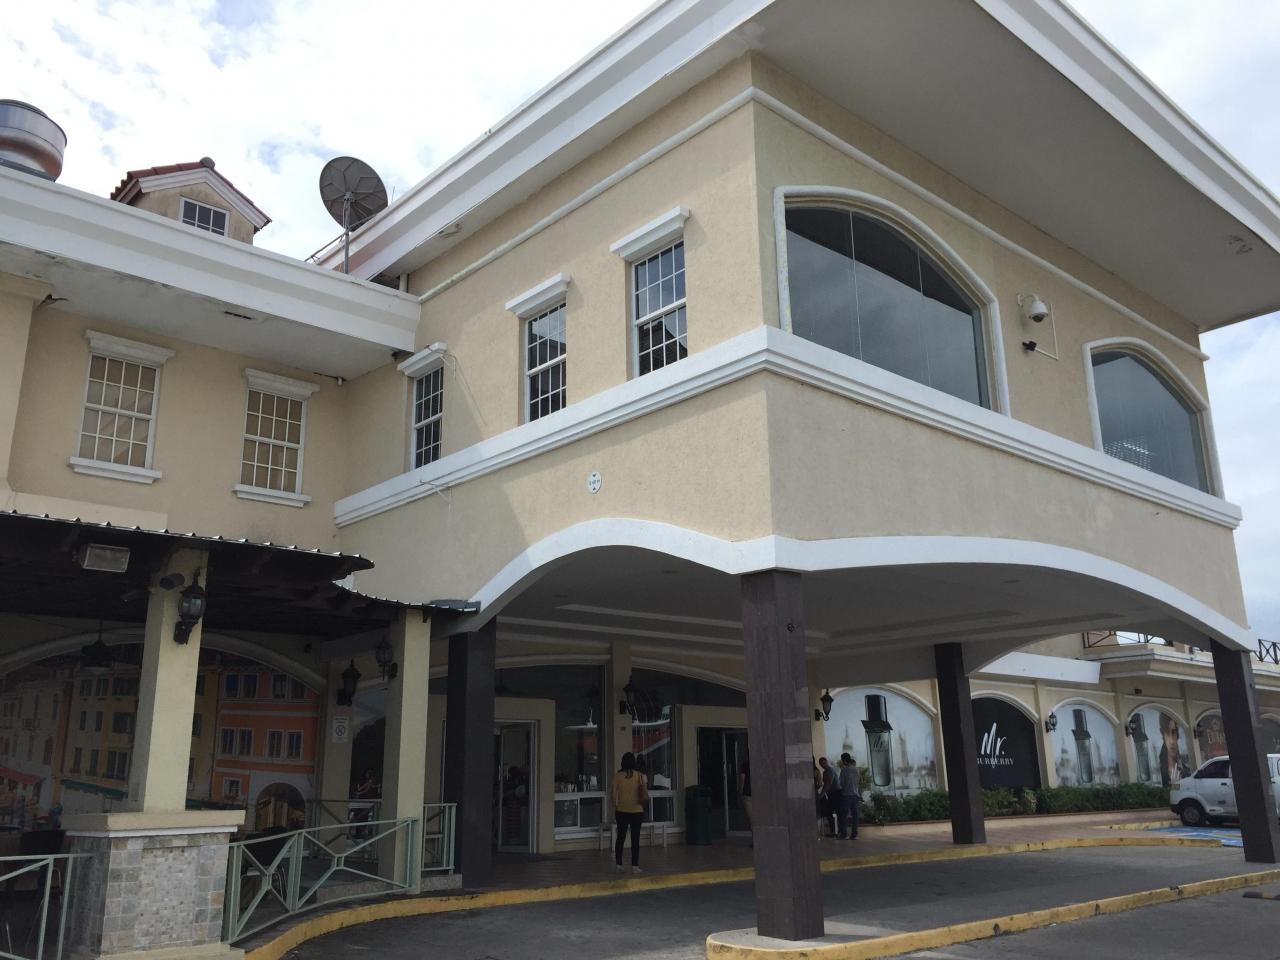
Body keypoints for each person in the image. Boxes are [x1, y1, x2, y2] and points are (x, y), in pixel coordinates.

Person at [612, 752, 648, 873]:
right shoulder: (640, 775)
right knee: (635, 839)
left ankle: (619, 865)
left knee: (620, 838)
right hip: (637, 811)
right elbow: (645, 791)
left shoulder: (617, 776)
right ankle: (635, 866)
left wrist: (616, 806)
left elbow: (613, 795)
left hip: (621, 811)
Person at [837, 753, 861, 839]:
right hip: (855, 795)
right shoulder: (856, 769)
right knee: (855, 815)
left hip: (846, 795)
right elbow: (858, 782)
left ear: (844, 760)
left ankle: (844, 834)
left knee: (844, 815)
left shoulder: (844, 770)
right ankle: (854, 834)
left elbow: (841, 783)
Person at [818, 757, 838, 837]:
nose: (823, 765)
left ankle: (835, 831)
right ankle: (833, 831)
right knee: (829, 812)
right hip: (830, 794)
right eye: (821, 764)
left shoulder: (830, 770)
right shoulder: (825, 772)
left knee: (831, 812)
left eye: (824, 763)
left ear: (826, 762)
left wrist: (822, 794)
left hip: (835, 793)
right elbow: (825, 784)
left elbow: (828, 783)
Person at [738, 761, 752, 843]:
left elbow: (742, 780)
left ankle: (754, 839)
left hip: (748, 794)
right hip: (757, 793)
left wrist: (740, 792)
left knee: (751, 818)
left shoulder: (744, 766)